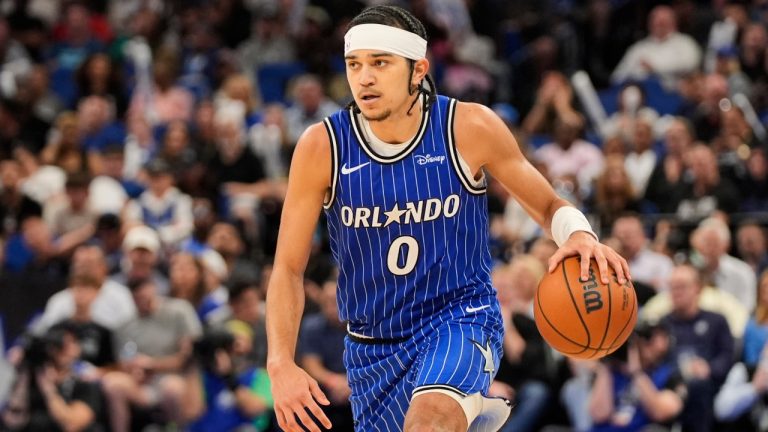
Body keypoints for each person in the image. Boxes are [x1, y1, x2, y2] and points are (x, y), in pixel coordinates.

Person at [265, 5, 630, 432]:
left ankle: (461, 402)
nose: (364, 77)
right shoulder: (322, 147)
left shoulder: (468, 127)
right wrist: (279, 363)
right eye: (354, 64)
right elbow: (288, 268)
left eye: (380, 63)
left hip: (459, 319)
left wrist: (580, 234)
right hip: (373, 348)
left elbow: (548, 205)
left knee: (429, 423)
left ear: (418, 69)